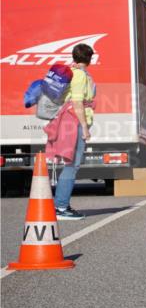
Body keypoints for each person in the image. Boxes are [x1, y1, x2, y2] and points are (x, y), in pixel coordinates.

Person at [52, 43, 97, 220]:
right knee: (72, 165)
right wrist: (85, 128)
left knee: (72, 164)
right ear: (89, 58)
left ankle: (62, 205)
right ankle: (61, 207)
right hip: (75, 123)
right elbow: (78, 103)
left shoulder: (76, 73)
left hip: (72, 121)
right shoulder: (79, 75)